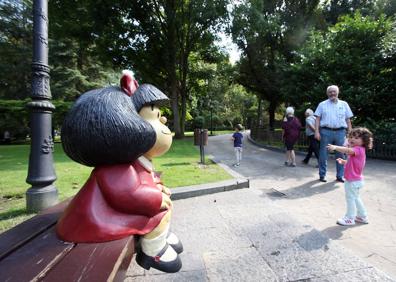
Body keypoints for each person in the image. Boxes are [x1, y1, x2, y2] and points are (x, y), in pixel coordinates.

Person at [57, 71, 182, 273]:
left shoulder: (133, 162)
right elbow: (129, 195)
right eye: (156, 116)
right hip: (96, 222)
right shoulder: (116, 168)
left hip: (107, 214)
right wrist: (156, 198)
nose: (164, 121)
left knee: (165, 205)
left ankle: (161, 237)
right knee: (159, 211)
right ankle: (153, 251)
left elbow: (144, 182)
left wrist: (157, 188)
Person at [327, 127, 373, 226]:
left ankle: (349, 218)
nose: (352, 139)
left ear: (364, 141)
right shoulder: (359, 150)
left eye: (356, 138)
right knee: (355, 198)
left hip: (352, 181)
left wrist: (335, 147)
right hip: (355, 180)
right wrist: (344, 162)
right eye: (351, 137)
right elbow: (354, 164)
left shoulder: (358, 149)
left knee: (350, 199)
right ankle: (362, 216)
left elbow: (347, 150)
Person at [314, 85, 353, 182]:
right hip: (325, 132)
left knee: (341, 154)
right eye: (330, 92)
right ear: (327, 93)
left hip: (340, 132)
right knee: (323, 154)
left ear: (338, 92)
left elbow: (348, 120)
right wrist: (316, 132)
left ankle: (340, 176)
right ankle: (322, 175)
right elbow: (317, 119)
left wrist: (350, 134)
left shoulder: (344, 104)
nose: (332, 93)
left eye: (334, 91)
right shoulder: (322, 104)